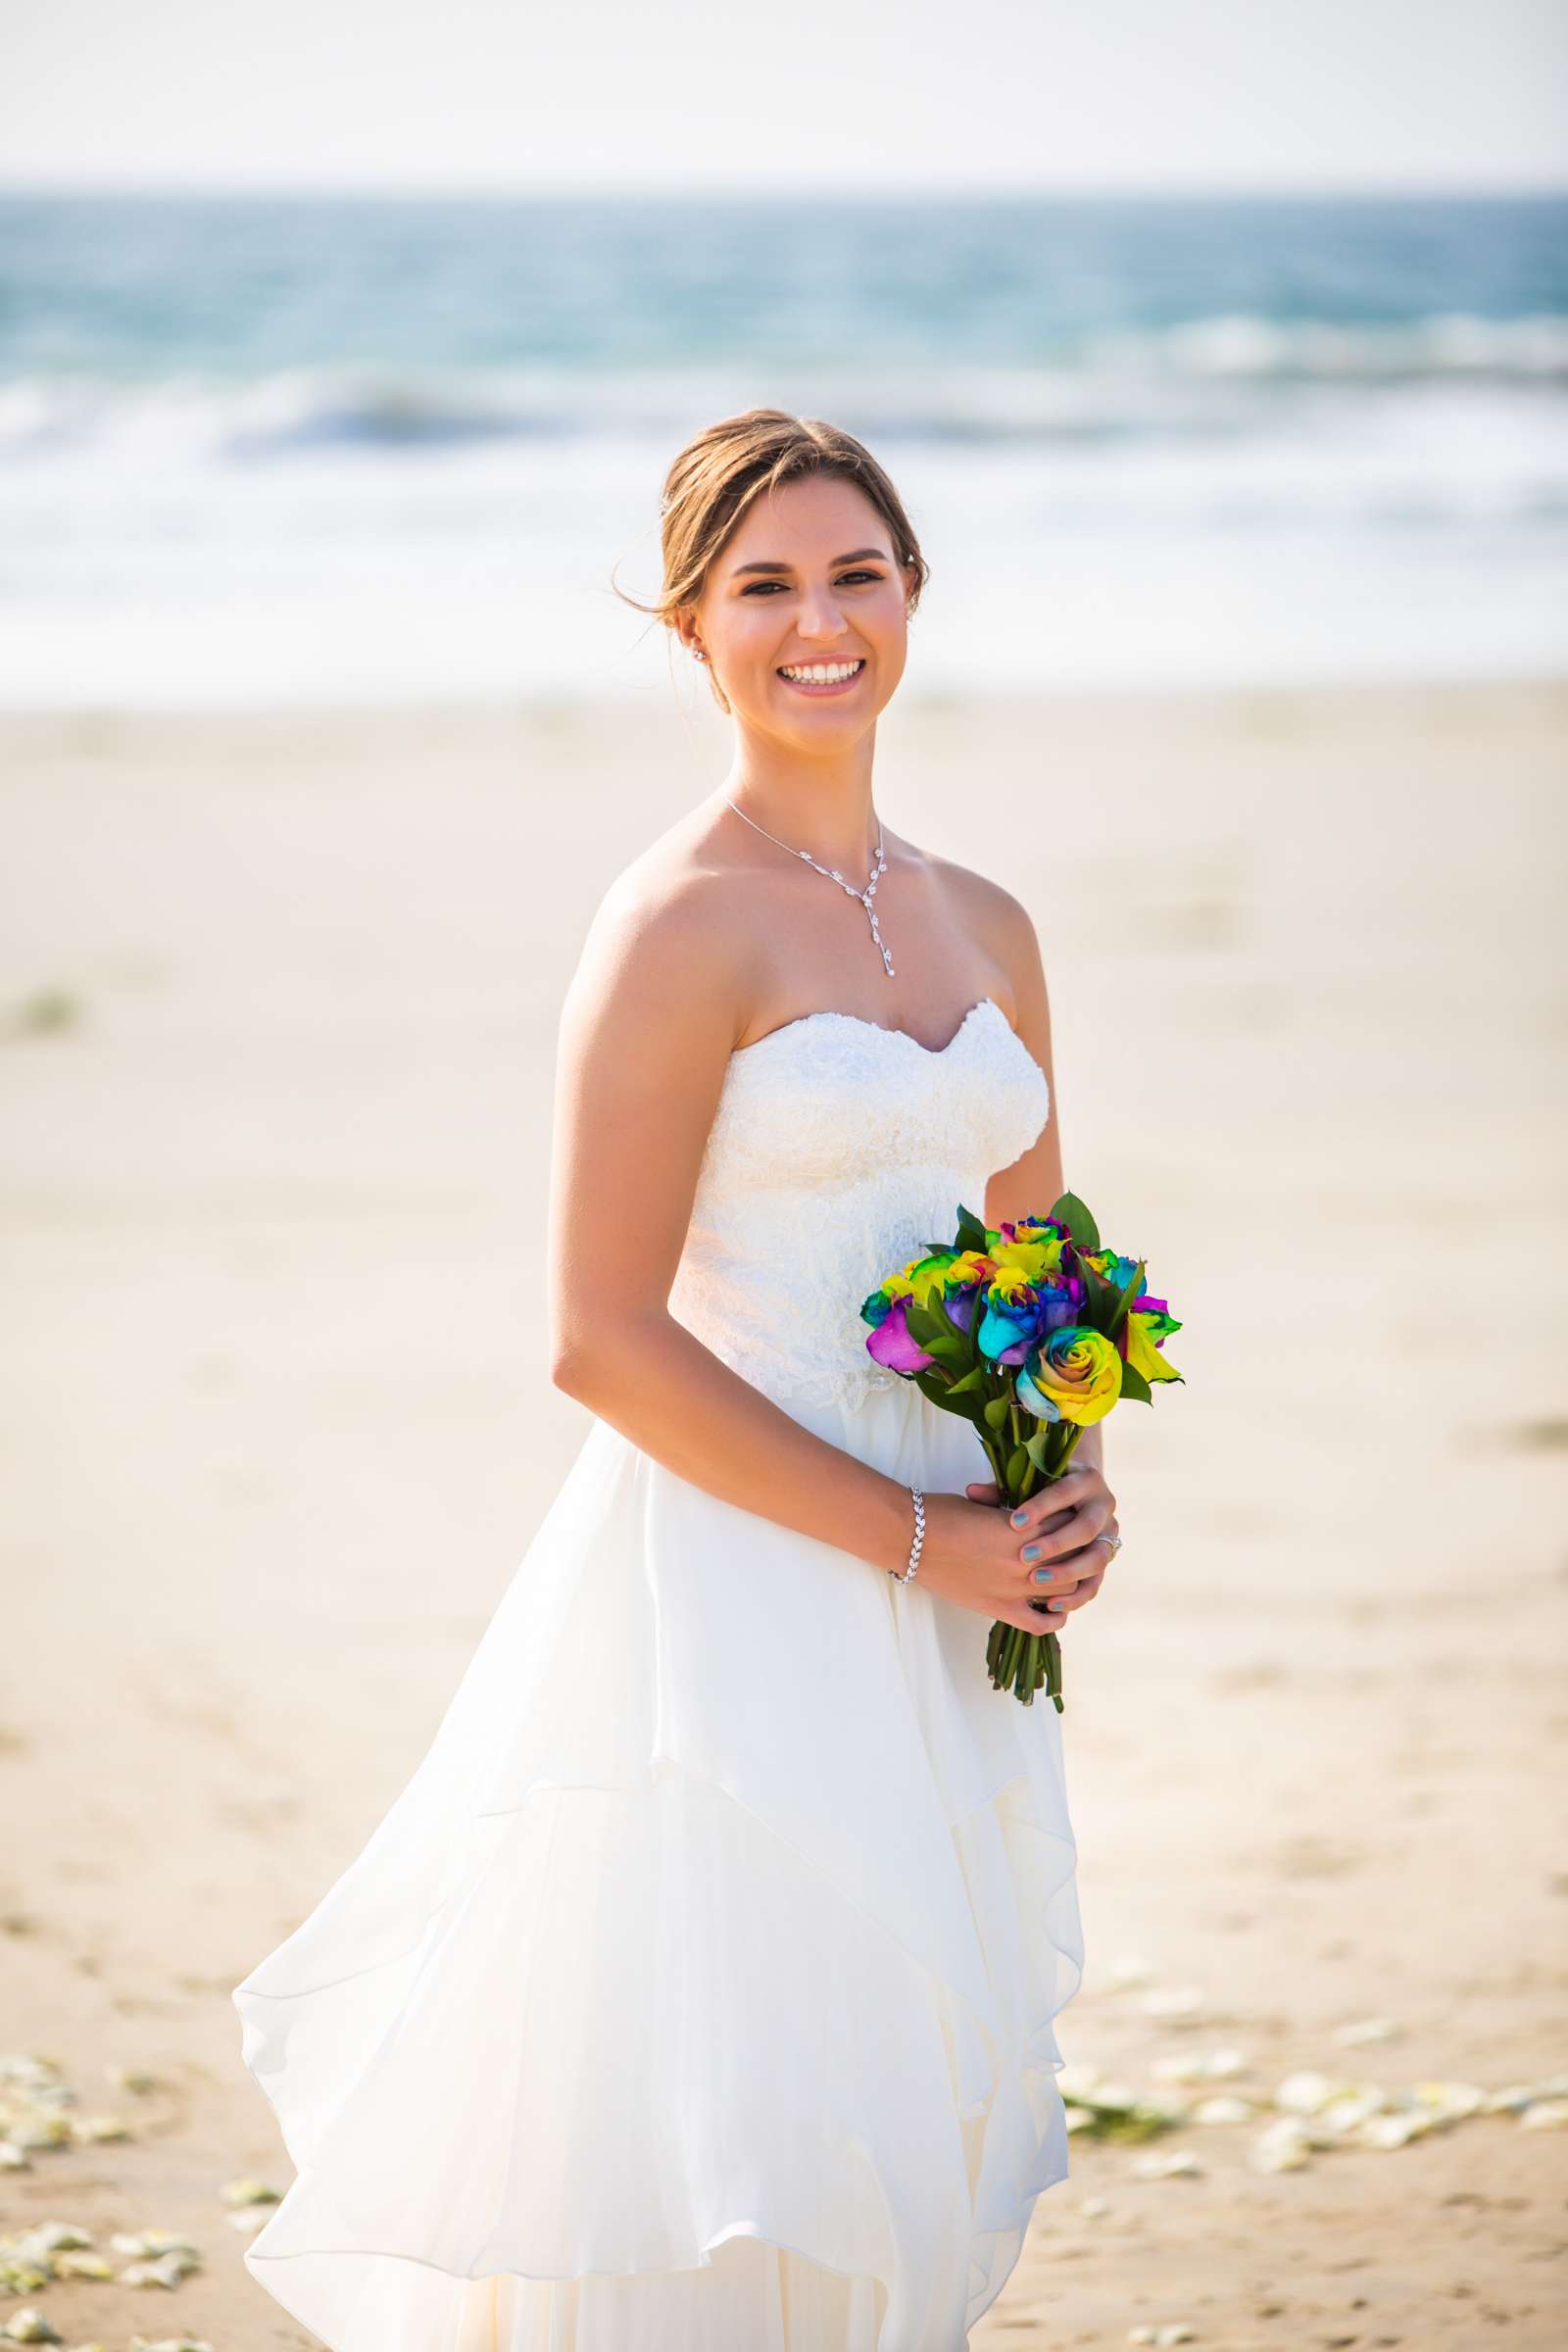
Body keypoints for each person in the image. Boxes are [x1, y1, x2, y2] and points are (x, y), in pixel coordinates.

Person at [233, 407, 1122, 2352]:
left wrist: (1056, 1489)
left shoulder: (990, 923)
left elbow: (1040, 1280)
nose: (821, 623)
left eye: (855, 574)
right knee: (729, 2101)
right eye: (764, 586)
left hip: (958, 1586)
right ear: (688, 630)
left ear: (913, 596)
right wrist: (912, 1538)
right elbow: (595, 1335)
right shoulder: (671, 924)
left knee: (898, 2084)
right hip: (745, 1577)